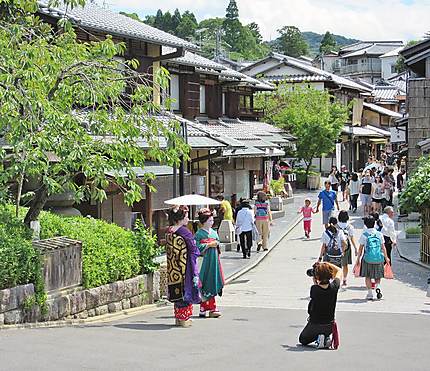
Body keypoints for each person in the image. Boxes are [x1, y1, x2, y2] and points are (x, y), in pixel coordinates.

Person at [165, 206, 200, 327]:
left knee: (176, 291)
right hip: (185, 266)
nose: (188, 219)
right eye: (186, 216)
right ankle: (184, 318)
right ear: (180, 218)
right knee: (186, 290)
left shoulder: (170, 230)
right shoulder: (184, 232)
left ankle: (178, 318)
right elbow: (194, 249)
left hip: (173, 267)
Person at [299, 262, 342, 349]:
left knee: (303, 339)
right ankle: (325, 337)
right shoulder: (334, 286)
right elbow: (339, 271)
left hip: (315, 324)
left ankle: (320, 337)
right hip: (329, 326)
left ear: (317, 277)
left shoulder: (314, 289)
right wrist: (326, 264)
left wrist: (316, 278)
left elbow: (318, 289)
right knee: (324, 331)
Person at [194, 208, 224, 319]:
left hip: (214, 260)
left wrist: (216, 244)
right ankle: (209, 308)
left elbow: (218, 243)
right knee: (205, 282)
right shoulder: (199, 234)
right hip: (204, 261)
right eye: (209, 221)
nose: (212, 222)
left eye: (212, 220)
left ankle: (206, 308)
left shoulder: (214, 232)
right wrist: (208, 245)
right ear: (203, 221)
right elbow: (196, 247)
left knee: (212, 280)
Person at [355, 216, 390, 301]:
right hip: (379, 258)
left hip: (367, 258)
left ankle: (370, 293)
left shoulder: (364, 235)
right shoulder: (379, 234)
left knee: (368, 276)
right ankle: (377, 286)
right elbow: (383, 247)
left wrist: (358, 259)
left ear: (366, 225)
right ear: (374, 223)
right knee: (377, 275)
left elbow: (360, 249)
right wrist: (386, 257)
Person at [337, 210, 358, 288]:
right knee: (345, 264)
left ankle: (337, 279)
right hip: (346, 246)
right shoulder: (350, 226)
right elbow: (351, 238)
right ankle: (344, 280)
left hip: (337, 246)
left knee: (337, 264)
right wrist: (355, 248)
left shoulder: (336, 226)